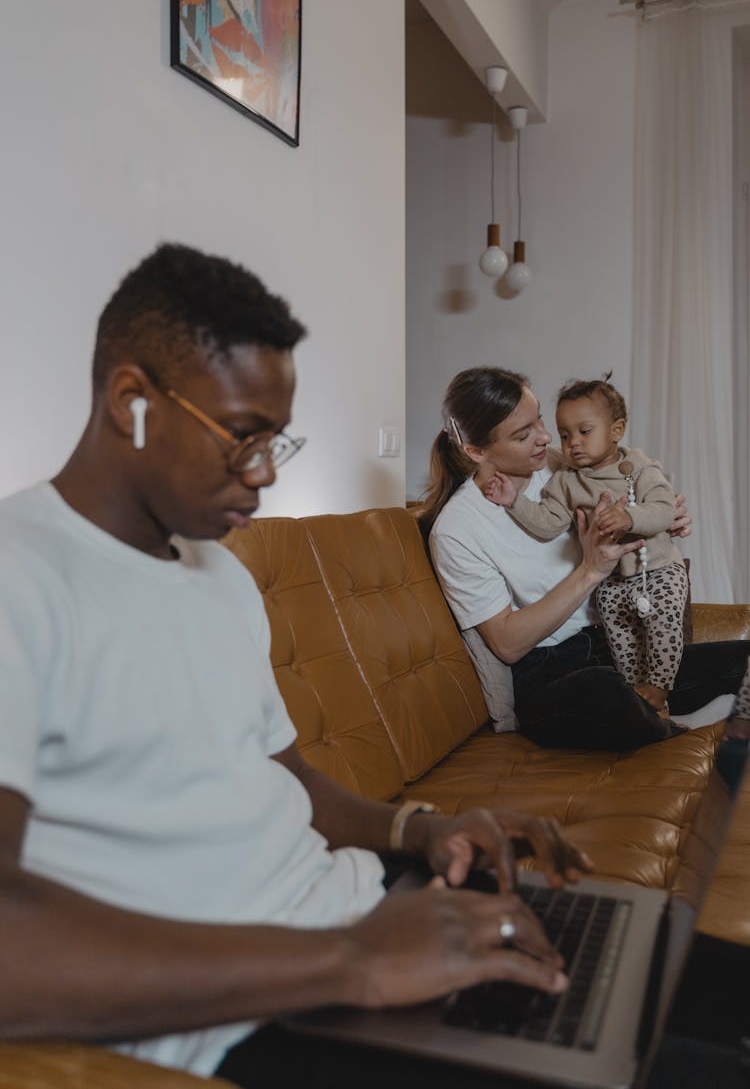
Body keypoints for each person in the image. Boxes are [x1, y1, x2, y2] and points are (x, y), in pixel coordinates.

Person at [0, 246, 594, 1089]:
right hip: (248, 1013)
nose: (267, 474)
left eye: (277, 441)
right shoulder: (19, 579)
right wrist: (353, 961)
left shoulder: (216, 572)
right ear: (132, 403)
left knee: (662, 991)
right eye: (243, 437)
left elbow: (287, 780)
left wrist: (420, 829)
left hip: (355, 917)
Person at [421, 366, 750, 752]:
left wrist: (658, 520)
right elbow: (508, 644)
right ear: (476, 451)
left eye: (539, 419)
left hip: (617, 645)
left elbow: (635, 497)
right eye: (524, 435)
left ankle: (667, 716)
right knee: (603, 689)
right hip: (551, 674)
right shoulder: (457, 530)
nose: (546, 437)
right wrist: (591, 570)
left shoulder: (564, 466)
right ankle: (683, 738)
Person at [484, 375, 687, 721]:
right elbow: (548, 522)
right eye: (565, 435)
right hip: (612, 583)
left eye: (584, 432)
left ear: (616, 430)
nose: (572, 443)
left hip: (659, 570)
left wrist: (629, 517)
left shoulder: (636, 467)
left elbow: (665, 509)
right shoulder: (566, 480)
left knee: (664, 624)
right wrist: (514, 502)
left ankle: (659, 689)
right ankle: (637, 692)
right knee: (620, 635)